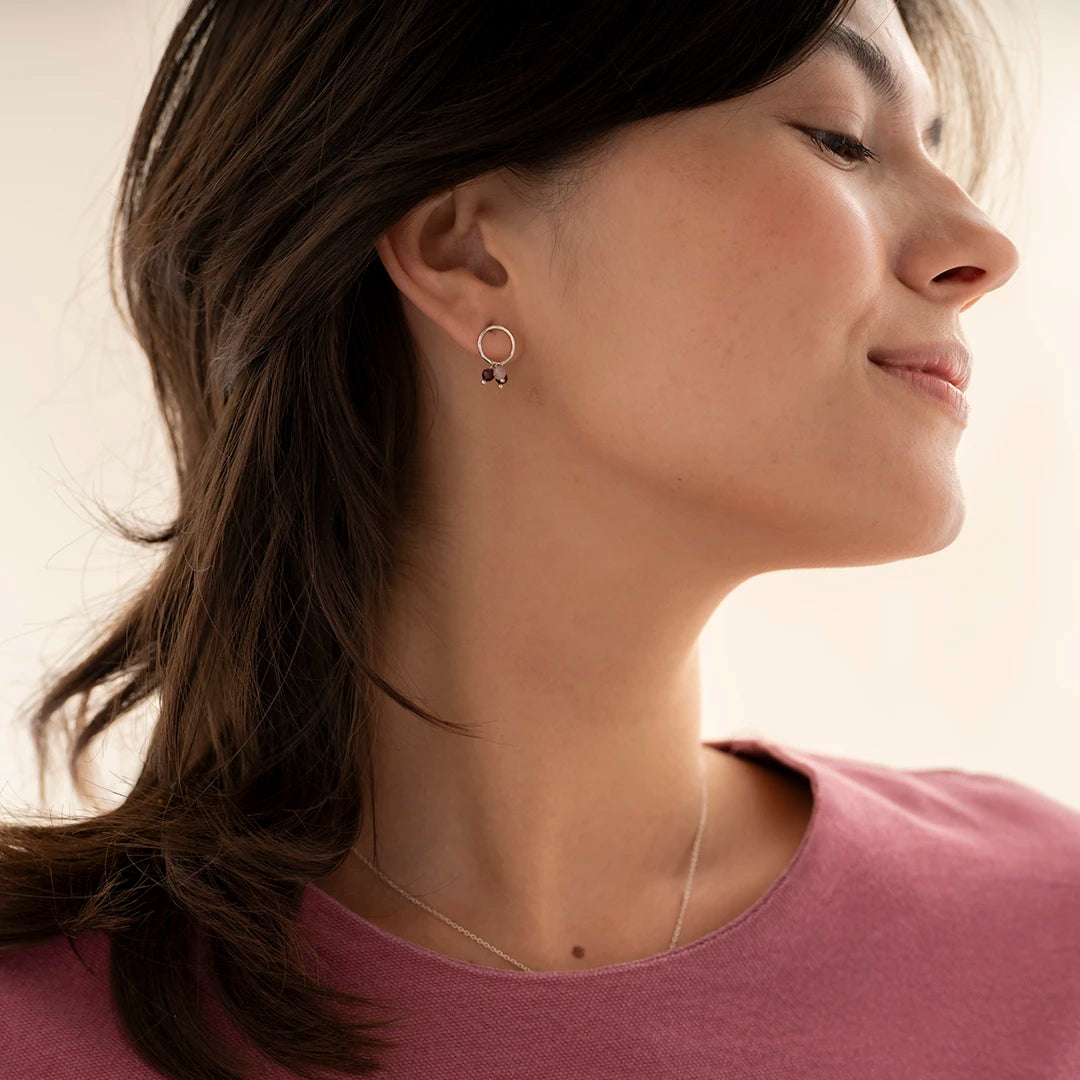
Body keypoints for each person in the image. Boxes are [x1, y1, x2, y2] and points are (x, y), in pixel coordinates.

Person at [2, 0, 1077, 1077]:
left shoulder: (1046, 940)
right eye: (842, 137)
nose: (984, 247)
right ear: (468, 251)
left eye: (935, 149)